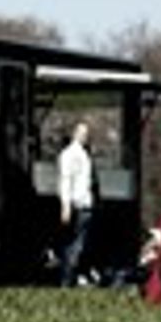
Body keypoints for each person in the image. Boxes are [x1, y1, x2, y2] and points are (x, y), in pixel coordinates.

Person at [57, 121, 96, 286]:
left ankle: (71, 278)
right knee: (74, 245)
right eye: (82, 133)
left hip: (84, 204)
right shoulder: (70, 155)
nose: (85, 136)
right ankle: (67, 280)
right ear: (74, 133)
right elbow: (65, 180)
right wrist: (65, 205)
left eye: (86, 133)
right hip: (76, 205)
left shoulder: (83, 154)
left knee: (77, 244)